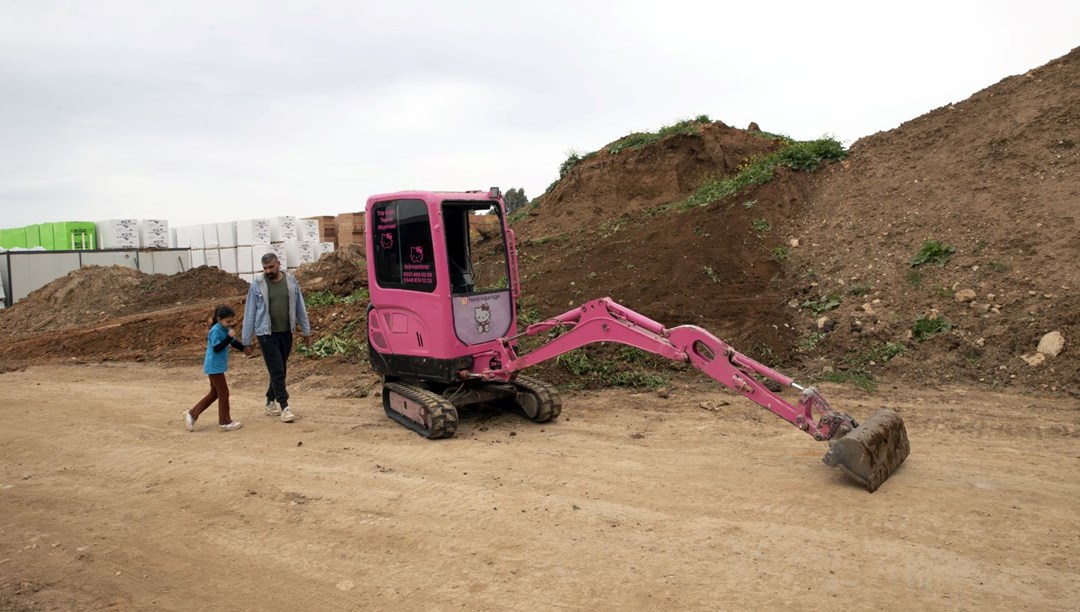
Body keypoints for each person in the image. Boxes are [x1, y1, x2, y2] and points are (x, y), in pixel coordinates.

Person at [242, 253, 311, 423]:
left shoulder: (290, 281)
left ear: (278, 264)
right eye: (265, 268)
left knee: (281, 369)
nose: (268, 271)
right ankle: (285, 406)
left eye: (271, 267)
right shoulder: (257, 285)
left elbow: (300, 306)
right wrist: (246, 340)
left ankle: (269, 400)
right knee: (277, 370)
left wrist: (306, 331)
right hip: (266, 334)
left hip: (286, 332)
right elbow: (249, 313)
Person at [184, 305, 246, 432]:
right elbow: (217, 347)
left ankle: (192, 414)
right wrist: (229, 337)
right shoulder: (215, 331)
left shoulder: (225, 329)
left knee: (214, 394)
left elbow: (233, 343)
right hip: (213, 367)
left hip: (218, 367)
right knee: (223, 393)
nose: (231, 324)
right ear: (219, 319)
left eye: (232, 321)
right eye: (228, 321)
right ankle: (225, 422)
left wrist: (245, 348)